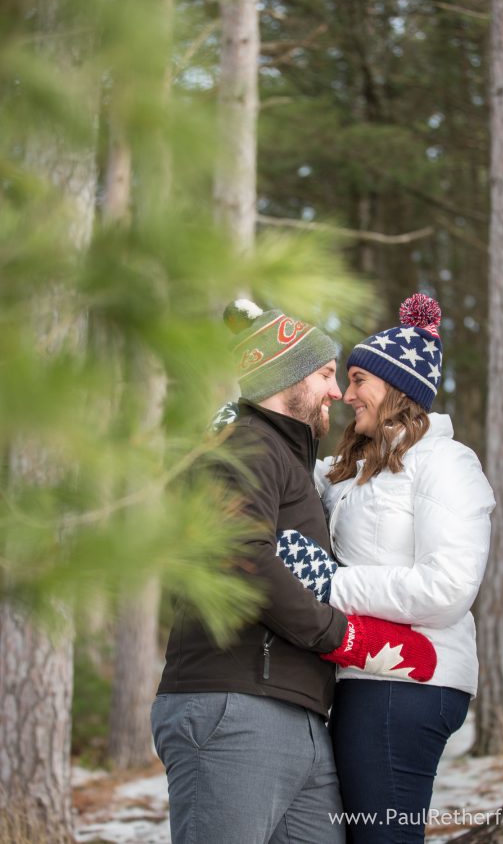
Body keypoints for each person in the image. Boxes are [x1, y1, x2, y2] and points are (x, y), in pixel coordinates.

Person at [152, 300, 423, 844]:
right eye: (325, 374)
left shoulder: (284, 456)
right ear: (286, 377)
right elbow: (240, 556)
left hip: (293, 710)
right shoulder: (246, 446)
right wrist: (340, 635)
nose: (335, 393)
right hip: (236, 704)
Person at [280, 293, 495, 843]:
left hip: (410, 685)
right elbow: (288, 481)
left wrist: (331, 585)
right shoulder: (355, 471)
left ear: (397, 387)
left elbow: (447, 588)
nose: (347, 394)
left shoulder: (446, 463)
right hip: (365, 677)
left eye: (358, 380)